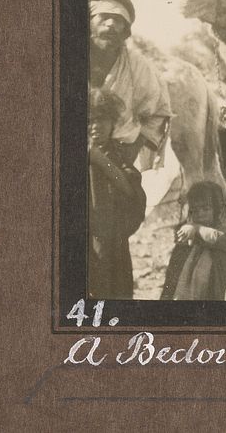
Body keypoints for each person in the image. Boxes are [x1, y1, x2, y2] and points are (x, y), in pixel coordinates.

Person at [89, 0, 172, 166]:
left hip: (118, 155)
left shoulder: (138, 66)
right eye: (103, 17)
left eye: (118, 20)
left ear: (126, 31)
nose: (110, 24)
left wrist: (133, 148)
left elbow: (159, 111)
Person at [87, 87, 147, 299]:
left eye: (101, 120)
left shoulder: (116, 153)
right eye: (90, 120)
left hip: (111, 242)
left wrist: (99, 159)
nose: (95, 126)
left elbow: (131, 189)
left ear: (113, 123)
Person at [160, 181, 226, 301]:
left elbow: (222, 239)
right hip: (184, 285)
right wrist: (185, 232)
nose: (200, 214)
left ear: (216, 209)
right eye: (195, 210)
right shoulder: (188, 226)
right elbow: (178, 241)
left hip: (209, 283)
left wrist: (197, 230)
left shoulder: (222, 228)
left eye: (206, 209)